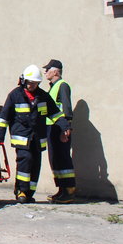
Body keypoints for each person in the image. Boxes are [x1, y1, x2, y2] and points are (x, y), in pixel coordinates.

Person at [0, 65, 70, 204]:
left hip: (37, 139)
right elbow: (4, 117)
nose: (32, 85)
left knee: (35, 166)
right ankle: (21, 191)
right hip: (22, 138)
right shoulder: (15, 95)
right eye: (30, 82)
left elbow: (55, 114)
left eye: (35, 83)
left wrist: (64, 126)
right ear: (24, 81)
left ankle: (29, 193)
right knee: (25, 162)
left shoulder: (43, 96)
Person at [43, 59, 76, 203]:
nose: (45, 72)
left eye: (48, 69)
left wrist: (65, 129)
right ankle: (61, 190)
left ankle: (69, 191)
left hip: (59, 128)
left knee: (63, 158)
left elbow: (66, 109)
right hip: (52, 127)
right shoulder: (53, 87)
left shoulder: (62, 85)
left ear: (55, 71)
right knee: (55, 159)